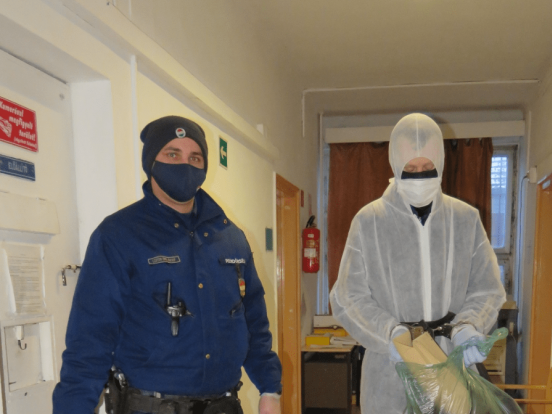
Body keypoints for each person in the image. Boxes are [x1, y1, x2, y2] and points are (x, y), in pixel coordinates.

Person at [53, 116, 282, 414]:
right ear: (151, 162)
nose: (185, 165)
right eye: (172, 154)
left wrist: (270, 389)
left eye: (195, 157)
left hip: (224, 406)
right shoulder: (119, 236)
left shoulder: (230, 238)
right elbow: (89, 340)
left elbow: (254, 322)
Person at [330, 113, 506, 414]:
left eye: (427, 168)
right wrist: (390, 334)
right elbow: (348, 297)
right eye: (410, 169)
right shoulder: (369, 222)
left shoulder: (465, 219)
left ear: (441, 165)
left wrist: (467, 326)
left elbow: (487, 288)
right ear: (396, 166)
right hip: (390, 371)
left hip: (452, 367)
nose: (420, 176)